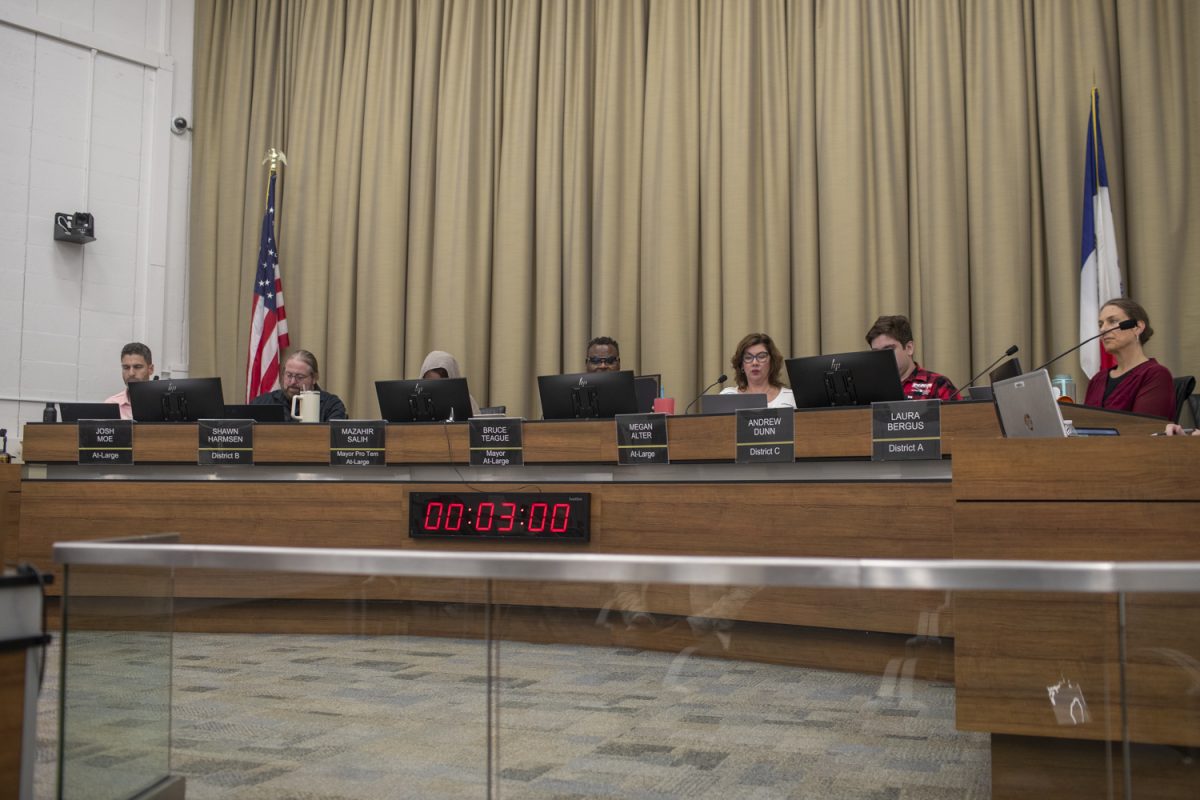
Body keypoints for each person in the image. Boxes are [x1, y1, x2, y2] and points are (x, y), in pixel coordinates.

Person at [1083, 299, 1174, 419]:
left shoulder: (1155, 374)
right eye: (1100, 324)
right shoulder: (1097, 379)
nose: (1103, 329)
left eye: (1113, 321)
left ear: (1138, 327)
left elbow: (1144, 429)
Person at [866, 315, 957, 401]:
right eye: (877, 352)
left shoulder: (938, 384)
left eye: (889, 349)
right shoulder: (869, 388)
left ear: (909, 348)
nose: (882, 357)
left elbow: (959, 416)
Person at [250, 350, 347, 421]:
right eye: (289, 375)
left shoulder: (331, 405)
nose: (292, 382)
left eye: (299, 377)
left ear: (314, 378)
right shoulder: (262, 403)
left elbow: (335, 440)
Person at [719, 333, 796, 408]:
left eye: (761, 356)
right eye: (748, 358)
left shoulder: (791, 397)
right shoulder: (728, 396)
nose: (755, 363)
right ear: (742, 365)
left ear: (772, 362)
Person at [418, 351, 481, 415]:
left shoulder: (468, 403)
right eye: (429, 384)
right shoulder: (416, 403)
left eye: (440, 385)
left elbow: (476, 424)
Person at [105, 342, 155, 419]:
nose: (131, 373)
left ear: (150, 369)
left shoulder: (164, 405)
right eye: (126, 367)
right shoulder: (111, 404)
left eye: (137, 367)